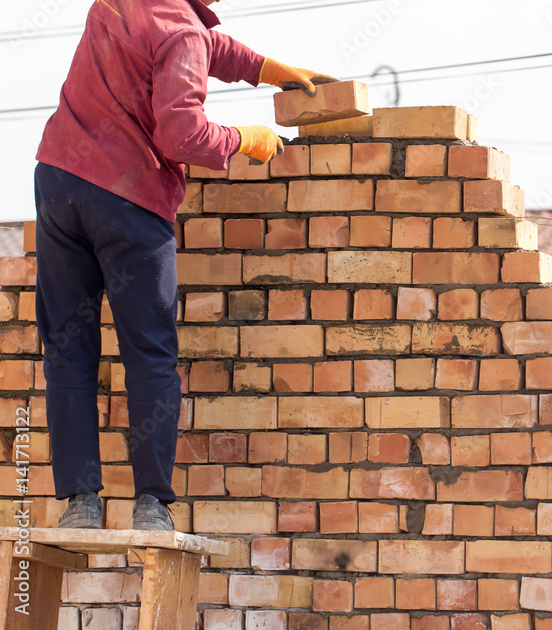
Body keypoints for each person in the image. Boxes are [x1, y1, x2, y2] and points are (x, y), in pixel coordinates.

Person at [34, 0, 331, 530]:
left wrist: (264, 69)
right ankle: (151, 504)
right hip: (128, 199)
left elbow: (185, 43)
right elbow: (182, 135)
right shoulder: (182, 34)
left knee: (67, 351)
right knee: (148, 356)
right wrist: (247, 139)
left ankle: (80, 504)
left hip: (59, 182)